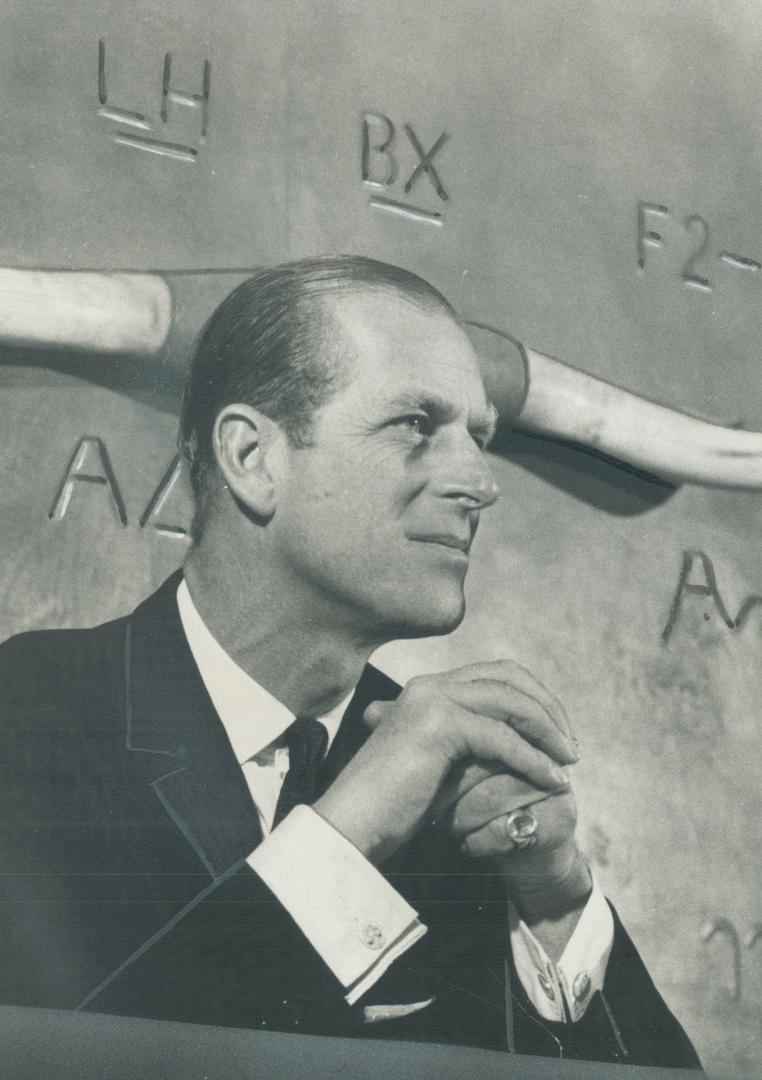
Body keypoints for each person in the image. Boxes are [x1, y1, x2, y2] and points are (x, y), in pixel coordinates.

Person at [0, 256, 699, 1069]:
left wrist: (555, 907)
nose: (480, 482)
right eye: (414, 425)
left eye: (478, 437)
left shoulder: (465, 792)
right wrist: (349, 832)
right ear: (252, 458)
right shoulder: (31, 716)